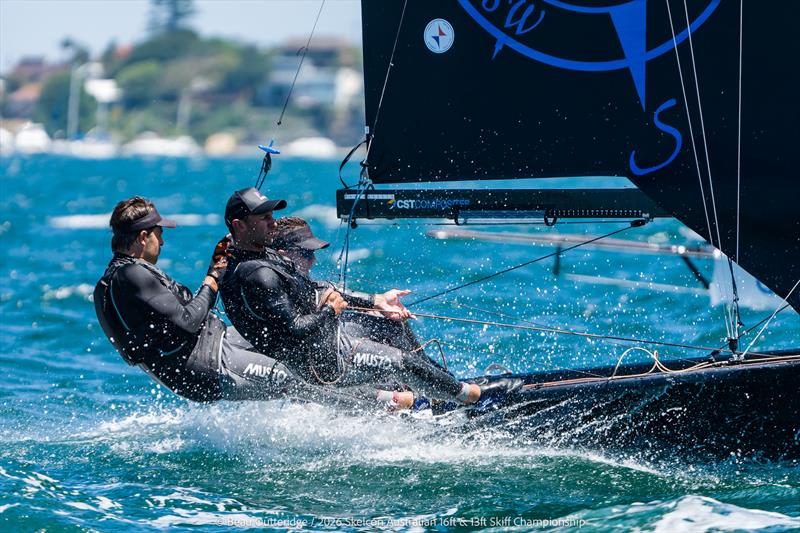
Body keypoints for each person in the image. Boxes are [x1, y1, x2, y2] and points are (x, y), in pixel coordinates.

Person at [218, 188, 522, 407]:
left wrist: (375, 301)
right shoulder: (257, 274)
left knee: (391, 336)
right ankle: (470, 398)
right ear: (239, 226)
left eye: (272, 215)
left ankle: (436, 389)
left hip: (327, 344)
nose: (272, 222)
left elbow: (317, 290)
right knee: (402, 362)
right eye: (263, 218)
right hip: (324, 362)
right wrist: (330, 312)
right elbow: (296, 328)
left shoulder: (261, 256)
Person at [93, 196, 364, 407]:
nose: (162, 242)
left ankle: (359, 387)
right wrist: (213, 277)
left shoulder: (108, 282)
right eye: (159, 233)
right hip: (207, 363)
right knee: (288, 378)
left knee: (277, 338)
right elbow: (187, 322)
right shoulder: (132, 274)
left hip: (210, 347)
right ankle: (379, 407)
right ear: (143, 236)